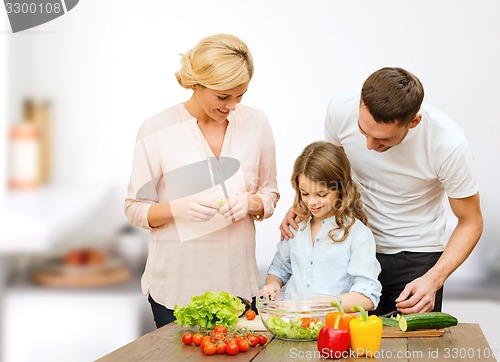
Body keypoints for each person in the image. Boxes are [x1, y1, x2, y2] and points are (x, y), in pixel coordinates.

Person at [280, 67, 483, 315]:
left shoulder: (449, 146)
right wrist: (303, 205)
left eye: (383, 140)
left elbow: (471, 221)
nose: (368, 145)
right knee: (354, 348)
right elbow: (332, 173)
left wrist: (433, 279)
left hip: (416, 257)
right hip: (352, 246)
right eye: (363, 131)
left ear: (414, 121)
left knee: (411, 351)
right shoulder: (340, 109)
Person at [125, 34, 280, 328]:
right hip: (176, 287)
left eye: (240, 96)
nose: (232, 106)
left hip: (238, 284)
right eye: (223, 97)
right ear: (195, 83)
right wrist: (176, 208)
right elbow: (134, 207)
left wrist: (252, 202)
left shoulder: (257, 124)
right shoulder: (156, 129)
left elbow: (270, 192)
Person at [261, 141, 382, 311]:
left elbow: (367, 296)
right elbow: (278, 269)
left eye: (321, 194)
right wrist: (272, 285)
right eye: (305, 193)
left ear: (341, 189)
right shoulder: (297, 226)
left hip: (334, 328)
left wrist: (315, 306)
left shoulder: (358, 235)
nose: (311, 202)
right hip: (293, 325)